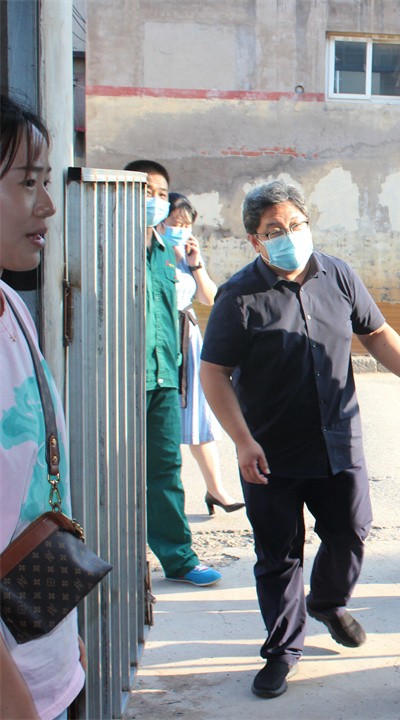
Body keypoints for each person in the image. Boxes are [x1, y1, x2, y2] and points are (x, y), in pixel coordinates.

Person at [200, 179, 400, 700]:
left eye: (296, 224)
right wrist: (242, 441)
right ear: (255, 240)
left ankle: (328, 602)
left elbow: (374, 331)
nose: (289, 235)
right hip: (270, 451)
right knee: (279, 554)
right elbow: (213, 373)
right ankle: (282, 651)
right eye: (275, 230)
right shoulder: (238, 296)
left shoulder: (337, 274)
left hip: (339, 437)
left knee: (352, 529)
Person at [0, 93, 85, 720]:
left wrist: (61, 638)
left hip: (46, 665)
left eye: (46, 181)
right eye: (28, 183)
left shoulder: (13, 308)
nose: (48, 204)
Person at [124, 159, 222, 588]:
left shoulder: (167, 252)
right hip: (119, 379)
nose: (156, 200)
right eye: (147, 191)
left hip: (164, 376)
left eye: (162, 194)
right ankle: (112, 553)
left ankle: (178, 558)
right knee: (110, 469)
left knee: (166, 469)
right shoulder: (112, 243)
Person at [158, 192, 243, 515]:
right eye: (174, 222)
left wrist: (195, 264)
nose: (180, 229)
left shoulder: (188, 255)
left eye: (186, 225)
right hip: (160, 337)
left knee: (197, 415)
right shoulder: (151, 252)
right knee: (159, 419)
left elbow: (210, 298)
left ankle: (216, 490)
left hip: (188, 337)